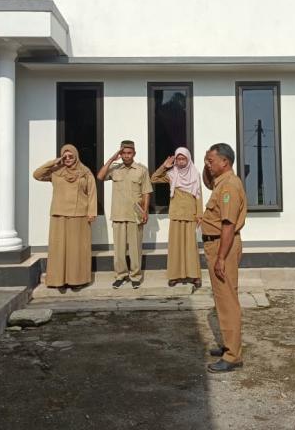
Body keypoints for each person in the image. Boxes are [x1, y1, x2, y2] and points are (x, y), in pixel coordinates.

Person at [201, 143, 247, 373]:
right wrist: (206, 163)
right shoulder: (221, 182)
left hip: (223, 246)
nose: (208, 165)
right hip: (218, 245)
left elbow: (228, 225)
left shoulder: (229, 186)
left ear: (225, 162)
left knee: (227, 300)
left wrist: (221, 258)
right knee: (222, 298)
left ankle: (232, 356)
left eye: (211, 161)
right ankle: (229, 345)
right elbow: (207, 181)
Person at [33, 144, 97, 289]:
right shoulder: (56, 171)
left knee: (77, 249)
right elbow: (37, 175)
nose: (68, 159)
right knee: (58, 248)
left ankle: (77, 280)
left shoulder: (85, 172)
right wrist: (54, 162)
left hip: (79, 215)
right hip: (59, 214)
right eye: (65, 156)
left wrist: (92, 212)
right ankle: (58, 280)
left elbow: (92, 193)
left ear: (76, 156)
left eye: (71, 156)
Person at [97, 140, 153, 289]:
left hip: (135, 214)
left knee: (135, 248)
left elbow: (146, 192)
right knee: (119, 249)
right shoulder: (115, 169)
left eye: (129, 153)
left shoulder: (142, 170)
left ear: (134, 153)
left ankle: (135, 276)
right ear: (120, 154)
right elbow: (100, 176)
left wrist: (145, 211)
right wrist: (111, 159)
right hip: (118, 214)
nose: (126, 156)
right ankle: (120, 275)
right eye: (124, 153)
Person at [150, 147, 203, 288]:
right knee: (175, 246)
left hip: (190, 214)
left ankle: (194, 276)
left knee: (191, 247)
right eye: (178, 159)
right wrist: (164, 166)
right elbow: (154, 178)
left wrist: (199, 214)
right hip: (176, 214)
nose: (180, 161)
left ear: (188, 159)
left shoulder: (195, 174)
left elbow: (198, 196)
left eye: (183, 158)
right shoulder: (172, 174)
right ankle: (174, 276)